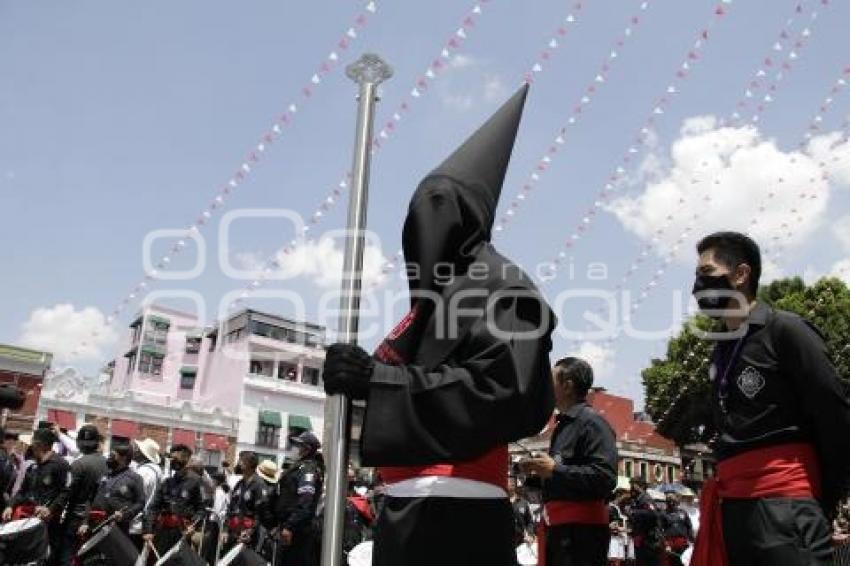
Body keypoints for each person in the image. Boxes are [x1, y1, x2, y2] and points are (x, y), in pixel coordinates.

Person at [322, 84, 556, 566]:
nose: (425, 227)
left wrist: (376, 379)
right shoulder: (424, 310)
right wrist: (355, 378)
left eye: (441, 209)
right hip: (403, 509)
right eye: (417, 214)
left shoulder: (503, 285)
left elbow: (505, 390)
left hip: (457, 515)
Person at [689, 231, 850, 566]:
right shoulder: (720, 352)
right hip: (733, 510)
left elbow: (835, 416)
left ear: (740, 274)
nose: (697, 286)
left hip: (786, 506)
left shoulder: (785, 331)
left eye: (705, 273)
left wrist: (823, 500)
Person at [520, 357, 618, 566]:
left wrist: (555, 470)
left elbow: (605, 478)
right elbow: (562, 475)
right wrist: (538, 473)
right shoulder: (563, 425)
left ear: (567, 386)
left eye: (551, 379)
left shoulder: (593, 423)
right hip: (558, 529)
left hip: (581, 534)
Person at [2, 427, 71, 566]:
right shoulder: (33, 466)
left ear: (42, 445)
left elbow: (67, 491)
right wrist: (10, 506)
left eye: (34, 443)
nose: (31, 446)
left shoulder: (61, 465)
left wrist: (50, 509)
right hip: (28, 520)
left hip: (47, 525)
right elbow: (23, 491)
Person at [142, 443, 206, 556]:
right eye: (171, 458)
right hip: (164, 532)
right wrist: (148, 530)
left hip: (184, 533)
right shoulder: (166, 482)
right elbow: (153, 508)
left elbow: (201, 510)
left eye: (175, 458)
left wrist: (194, 525)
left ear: (186, 459)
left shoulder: (195, 482)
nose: (172, 461)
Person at [58, 424, 107, 566]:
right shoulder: (107, 464)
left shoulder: (78, 465)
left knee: (67, 558)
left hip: (75, 519)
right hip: (96, 520)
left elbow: (66, 492)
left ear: (79, 443)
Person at [275, 431, 324, 566]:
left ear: (306, 449)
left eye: (297, 445)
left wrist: (290, 527)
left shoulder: (308, 469)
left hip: (298, 531)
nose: (294, 448)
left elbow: (305, 502)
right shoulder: (299, 467)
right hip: (289, 527)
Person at [79, 443, 144, 537]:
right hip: (94, 526)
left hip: (116, 530)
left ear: (123, 458)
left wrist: (125, 515)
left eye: (112, 456)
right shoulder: (104, 474)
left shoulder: (135, 478)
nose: (109, 458)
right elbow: (90, 497)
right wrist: (84, 522)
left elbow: (140, 502)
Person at [222, 452, 276, 557]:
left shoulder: (259, 485)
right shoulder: (239, 484)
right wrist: (225, 530)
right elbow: (230, 508)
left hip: (249, 536)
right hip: (233, 533)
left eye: (242, 460)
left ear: (249, 464)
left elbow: (260, 513)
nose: (239, 462)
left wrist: (250, 531)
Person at [129, 437, 162, 549]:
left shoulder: (143, 472)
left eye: (138, 449)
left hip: (137, 523)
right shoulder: (157, 470)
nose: (135, 450)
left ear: (142, 453)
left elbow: (136, 496)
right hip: (148, 521)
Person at [626, 478, 662, 565]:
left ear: (641, 486)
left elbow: (653, 514)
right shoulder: (636, 500)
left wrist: (634, 512)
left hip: (649, 540)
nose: (631, 488)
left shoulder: (646, 498)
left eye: (633, 485)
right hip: (641, 539)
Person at [660, 493, 692, 565]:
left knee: (682, 562)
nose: (671, 503)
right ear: (666, 502)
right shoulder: (663, 514)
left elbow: (689, 526)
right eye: (669, 501)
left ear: (676, 501)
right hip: (670, 542)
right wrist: (666, 544)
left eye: (673, 501)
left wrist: (690, 540)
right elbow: (660, 530)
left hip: (682, 542)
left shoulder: (683, 512)